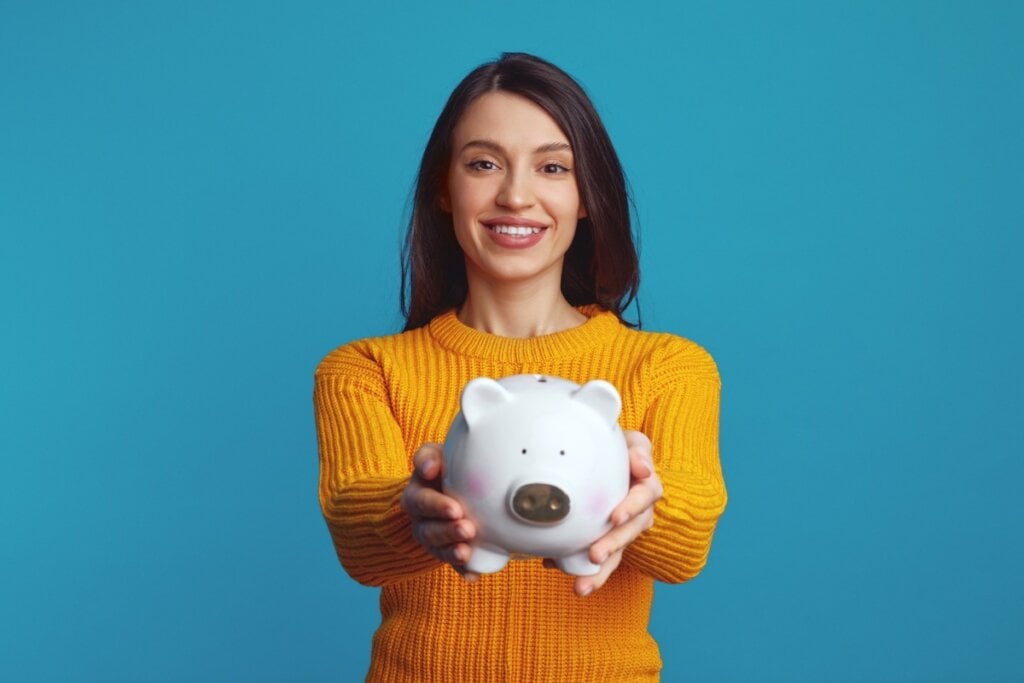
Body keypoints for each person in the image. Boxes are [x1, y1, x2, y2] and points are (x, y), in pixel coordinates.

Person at [313, 52, 727, 682]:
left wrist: (643, 498)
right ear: (442, 190)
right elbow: (356, 537)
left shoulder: (667, 366)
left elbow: (689, 540)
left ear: (587, 197)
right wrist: (414, 511)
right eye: (483, 164)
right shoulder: (365, 370)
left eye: (553, 167)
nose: (515, 195)